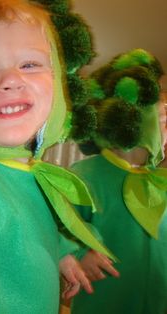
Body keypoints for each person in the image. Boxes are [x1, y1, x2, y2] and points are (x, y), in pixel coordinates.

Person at [0, 0, 115, 312]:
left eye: (29, 64)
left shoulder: (21, 167)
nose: (11, 80)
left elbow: (23, 228)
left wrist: (61, 252)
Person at [70, 49, 167, 314]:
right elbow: (56, 228)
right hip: (104, 304)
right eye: (161, 111)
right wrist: (78, 255)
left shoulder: (162, 180)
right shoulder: (84, 175)